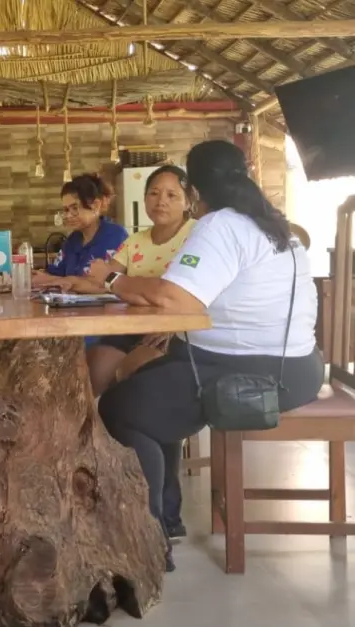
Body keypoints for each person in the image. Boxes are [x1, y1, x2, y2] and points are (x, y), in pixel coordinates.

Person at [87, 140, 323, 570]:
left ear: (194, 192)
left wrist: (112, 281)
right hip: (301, 369)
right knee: (150, 385)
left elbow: (175, 299)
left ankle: (149, 537)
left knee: (121, 407)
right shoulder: (275, 224)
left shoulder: (220, 225)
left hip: (248, 374)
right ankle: (167, 516)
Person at [43, 165, 196, 538]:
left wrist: (173, 325)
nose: (161, 201)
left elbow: (195, 294)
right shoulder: (137, 242)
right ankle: (90, 479)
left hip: (175, 336)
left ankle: (165, 514)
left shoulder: (197, 237)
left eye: (171, 195)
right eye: (154, 193)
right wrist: (68, 284)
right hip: (131, 330)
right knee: (86, 378)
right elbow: (103, 279)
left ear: (188, 201)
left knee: (138, 390)